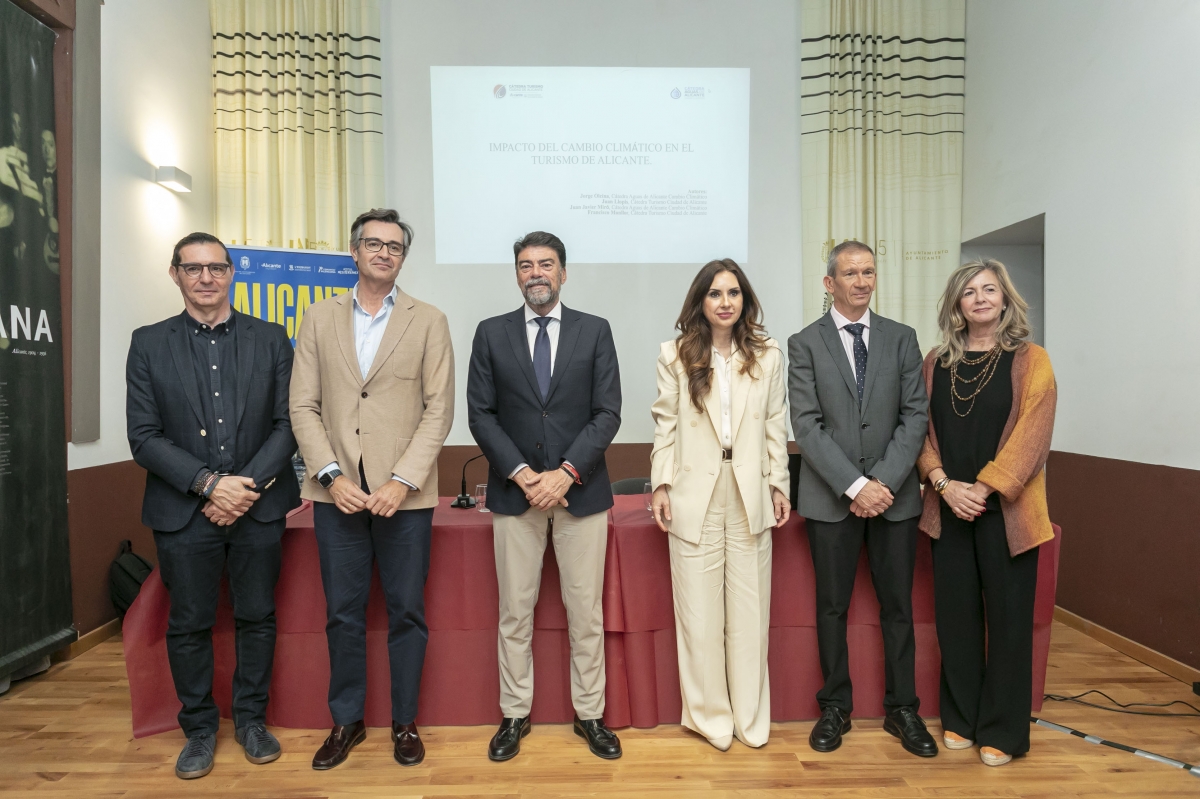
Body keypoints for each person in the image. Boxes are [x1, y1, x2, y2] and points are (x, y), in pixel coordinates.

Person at [126, 232, 301, 779]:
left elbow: (288, 423)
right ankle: (199, 729)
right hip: (184, 512)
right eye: (193, 268)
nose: (206, 277)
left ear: (232, 274)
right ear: (175, 274)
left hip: (258, 508)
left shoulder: (272, 339)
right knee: (189, 623)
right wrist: (208, 485)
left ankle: (251, 721)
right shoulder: (149, 343)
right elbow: (144, 436)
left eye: (217, 267)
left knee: (257, 617)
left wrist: (242, 487)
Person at [290, 209, 454, 769]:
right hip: (336, 497)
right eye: (373, 244)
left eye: (394, 247)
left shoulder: (429, 320)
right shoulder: (318, 318)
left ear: (402, 258)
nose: (384, 253)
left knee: (408, 611)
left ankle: (404, 723)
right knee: (343, 613)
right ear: (353, 252)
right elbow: (303, 405)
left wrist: (401, 480)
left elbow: (439, 412)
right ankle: (347, 721)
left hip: (404, 498)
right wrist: (331, 476)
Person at [467, 231, 623, 762]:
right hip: (516, 496)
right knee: (515, 612)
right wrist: (522, 473)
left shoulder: (595, 330)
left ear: (563, 273)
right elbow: (480, 415)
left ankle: (591, 715)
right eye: (527, 264)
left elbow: (608, 413)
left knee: (586, 613)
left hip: (580, 494)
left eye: (547, 264)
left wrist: (566, 472)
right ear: (516, 274)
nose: (537, 272)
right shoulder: (491, 334)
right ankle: (515, 714)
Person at [787, 240, 937, 757]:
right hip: (832, 500)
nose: (861, 281)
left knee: (898, 607)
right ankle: (835, 707)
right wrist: (855, 486)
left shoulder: (902, 338)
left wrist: (884, 486)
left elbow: (914, 416)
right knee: (832, 607)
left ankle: (903, 710)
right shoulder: (804, 342)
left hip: (894, 499)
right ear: (829, 283)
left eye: (868, 271)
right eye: (850, 273)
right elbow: (806, 426)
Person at [917, 259, 1056, 767]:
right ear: (956, 304)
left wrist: (984, 488)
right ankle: (961, 718)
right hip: (949, 506)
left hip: (1008, 513)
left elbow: (1033, 437)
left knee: (1010, 622)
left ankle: (1002, 730)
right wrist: (946, 485)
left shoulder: (1031, 359)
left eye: (989, 290)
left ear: (1005, 299)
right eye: (969, 292)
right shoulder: (936, 362)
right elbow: (921, 433)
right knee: (955, 621)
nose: (980, 298)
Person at [650, 259, 791, 751]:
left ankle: (751, 718)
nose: (725, 301)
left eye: (734, 293)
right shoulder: (675, 354)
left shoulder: (768, 355)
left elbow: (776, 424)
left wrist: (779, 485)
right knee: (701, 618)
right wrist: (660, 485)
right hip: (695, 492)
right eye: (715, 293)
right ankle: (711, 718)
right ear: (701, 302)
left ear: (745, 301)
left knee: (750, 616)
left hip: (749, 489)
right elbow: (665, 425)